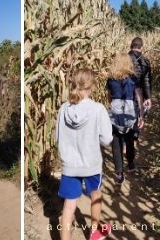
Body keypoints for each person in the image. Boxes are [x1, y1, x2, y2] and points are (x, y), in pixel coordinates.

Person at [56, 69, 113, 240]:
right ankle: (94, 232)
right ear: (92, 86)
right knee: (95, 194)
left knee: (68, 206)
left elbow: (58, 137)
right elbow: (106, 139)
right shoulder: (98, 109)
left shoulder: (64, 109)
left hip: (70, 166)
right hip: (91, 164)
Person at [107, 53, 144, 184]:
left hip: (115, 109)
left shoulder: (111, 79)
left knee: (116, 141)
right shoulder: (133, 78)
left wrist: (111, 108)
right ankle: (131, 163)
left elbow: (109, 96)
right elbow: (138, 96)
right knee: (129, 139)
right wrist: (141, 115)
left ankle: (119, 173)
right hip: (130, 110)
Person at [126, 37, 152, 170]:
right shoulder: (145, 61)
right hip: (138, 96)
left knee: (123, 123)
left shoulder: (124, 59)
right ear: (141, 47)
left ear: (131, 45)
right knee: (136, 125)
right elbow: (146, 81)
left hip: (124, 95)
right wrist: (148, 97)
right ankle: (131, 158)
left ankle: (123, 148)